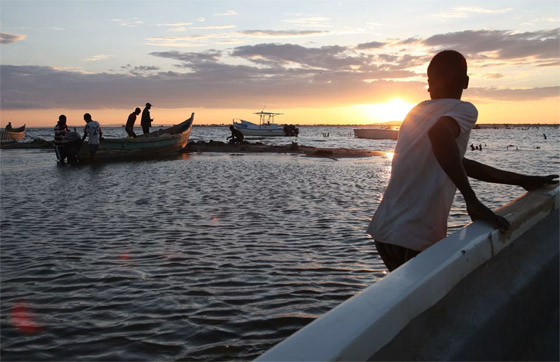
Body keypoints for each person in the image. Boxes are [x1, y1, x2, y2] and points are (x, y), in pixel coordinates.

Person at [367, 50, 558, 272]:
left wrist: (521, 179)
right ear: (465, 82)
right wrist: (472, 200)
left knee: (405, 299)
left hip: (384, 232)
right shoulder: (463, 109)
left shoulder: (415, 112)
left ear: (429, 83)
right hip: (416, 234)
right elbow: (439, 136)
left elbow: (454, 161)